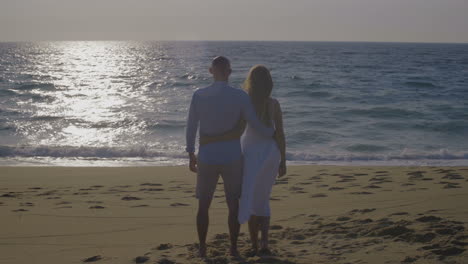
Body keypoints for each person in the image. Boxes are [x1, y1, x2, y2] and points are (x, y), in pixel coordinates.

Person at [185, 57, 275, 257]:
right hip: (232, 157)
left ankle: (202, 248)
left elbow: (191, 126)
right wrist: (272, 133)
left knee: (203, 205)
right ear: (230, 72)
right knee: (233, 204)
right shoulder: (240, 96)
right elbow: (255, 124)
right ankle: (233, 248)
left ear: (210, 71)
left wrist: (191, 153)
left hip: (207, 156)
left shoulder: (199, 95)